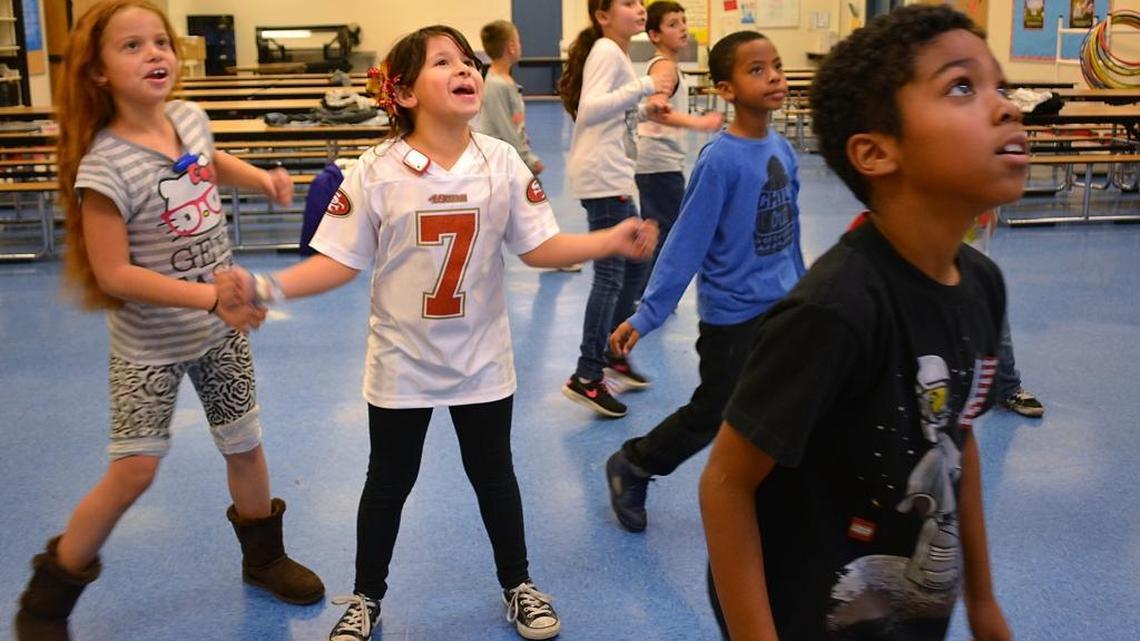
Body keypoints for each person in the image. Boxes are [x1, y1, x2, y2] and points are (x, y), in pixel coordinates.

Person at [217, 25, 657, 641]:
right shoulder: (375, 170)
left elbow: (540, 247)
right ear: (401, 92)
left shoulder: (499, 161)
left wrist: (607, 238)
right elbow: (341, 260)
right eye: (442, 62)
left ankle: (518, 584)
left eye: (467, 61)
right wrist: (269, 287)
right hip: (402, 361)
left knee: (494, 475)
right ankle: (367, 597)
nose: (464, 70)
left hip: (481, 359)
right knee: (388, 483)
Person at [699, 6, 1017, 640]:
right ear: (876, 152)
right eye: (962, 86)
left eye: (1000, 86)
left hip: (911, 614)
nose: (1005, 107)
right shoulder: (836, 310)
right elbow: (725, 485)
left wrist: (982, 600)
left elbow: (960, 441)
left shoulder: (982, 285)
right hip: (807, 616)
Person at [12, 2, 324, 640]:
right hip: (150, 346)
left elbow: (210, 163)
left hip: (220, 334)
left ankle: (264, 558)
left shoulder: (188, 117)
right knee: (135, 468)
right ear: (98, 73)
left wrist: (261, 180)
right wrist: (212, 298)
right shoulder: (105, 166)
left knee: (245, 442)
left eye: (159, 42)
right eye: (132, 47)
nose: (154, 54)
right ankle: (47, 600)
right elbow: (114, 275)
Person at [605, 30, 804, 533]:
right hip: (732, 316)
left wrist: (802, 290)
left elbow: (789, 230)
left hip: (780, 307)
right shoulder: (720, 161)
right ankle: (636, 463)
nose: (774, 76)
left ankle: (769, 490)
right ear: (726, 89)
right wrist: (648, 314)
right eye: (756, 70)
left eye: (775, 65)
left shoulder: (783, 148)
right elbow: (686, 243)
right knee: (715, 410)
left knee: (783, 402)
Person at [557, 0, 673, 418]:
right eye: (628, 3)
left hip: (614, 173)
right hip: (604, 177)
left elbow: (613, 112)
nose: (639, 9)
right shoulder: (607, 50)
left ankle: (610, 351)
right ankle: (586, 375)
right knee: (610, 275)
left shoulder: (615, 52)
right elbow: (590, 110)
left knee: (637, 264)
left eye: (640, 2)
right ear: (602, 15)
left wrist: (645, 107)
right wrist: (646, 85)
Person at [633, 1, 723, 285]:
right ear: (655, 35)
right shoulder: (665, 68)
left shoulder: (666, 65)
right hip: (658, 162)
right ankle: (648, 292)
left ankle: (643, 289)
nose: (683, 28)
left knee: (658, 228)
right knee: (667, 231)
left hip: (656, 161)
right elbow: (657, 106)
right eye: (673, 24)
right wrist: (700, 123)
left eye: (683, 22)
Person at [472, 19, 543, 175]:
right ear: (511, 47)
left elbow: (513, 122)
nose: (519, 45)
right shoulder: (496, 85)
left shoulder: (505, 81)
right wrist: (527, 159)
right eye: (518, 41)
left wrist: (524, 138)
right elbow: (505, 128)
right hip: (499, 162)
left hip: (509, 156)